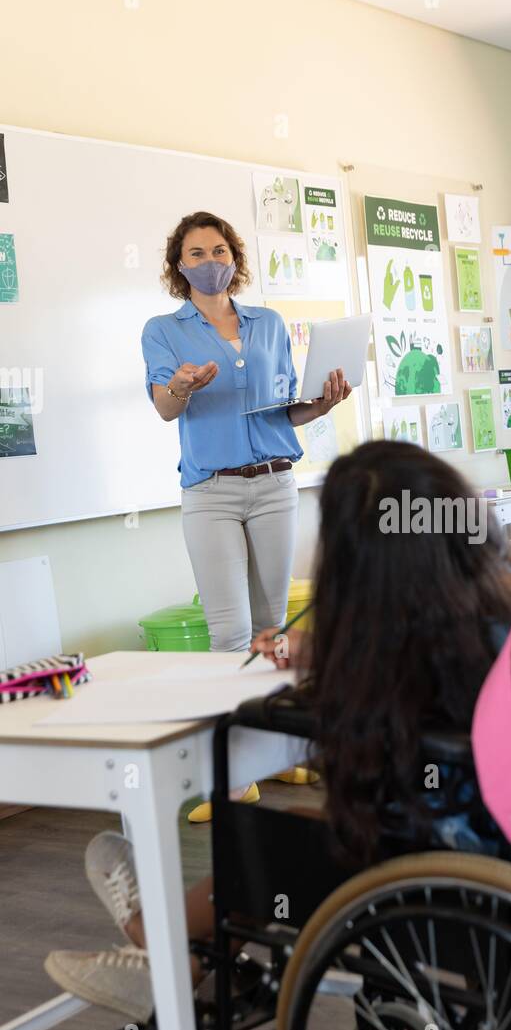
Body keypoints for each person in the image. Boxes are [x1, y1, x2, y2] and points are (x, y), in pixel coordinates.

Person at [44, 443, 511, 1017]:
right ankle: (183, 959)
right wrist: (324, 649)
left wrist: (331, 666)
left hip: (455, 873)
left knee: (274, 841)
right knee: (298, 831)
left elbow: (373, 748)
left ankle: (159, 942)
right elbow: (408, 645)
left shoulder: (407, 650)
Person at [141, 210, 351, 822]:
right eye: (197, 254)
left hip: (276, 484)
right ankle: (228, 773)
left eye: (220, 250)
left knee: (273, 629)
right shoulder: (164, 329)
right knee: (228, 636)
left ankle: (274, 750)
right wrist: (181, 385)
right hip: (212, 492)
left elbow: (280, 412)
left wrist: (322, 403)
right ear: (179, 267)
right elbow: (163, 408)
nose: (211, 262)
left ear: (235, 256)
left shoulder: (268, 323)